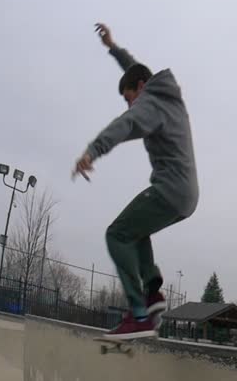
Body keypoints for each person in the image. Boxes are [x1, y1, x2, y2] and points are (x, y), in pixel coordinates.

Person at [73, 23, 199, 339]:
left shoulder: (147, 105)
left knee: (117, 234)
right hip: (185, 195)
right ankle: (153, 292)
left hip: (169, 190)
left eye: (131, 98)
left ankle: (139, 313)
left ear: (141, 89)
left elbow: (126, 124)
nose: (131, 105)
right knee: (135, 230)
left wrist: (93, 151)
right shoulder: (164, 94)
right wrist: (113, 47)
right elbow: (135, 68)